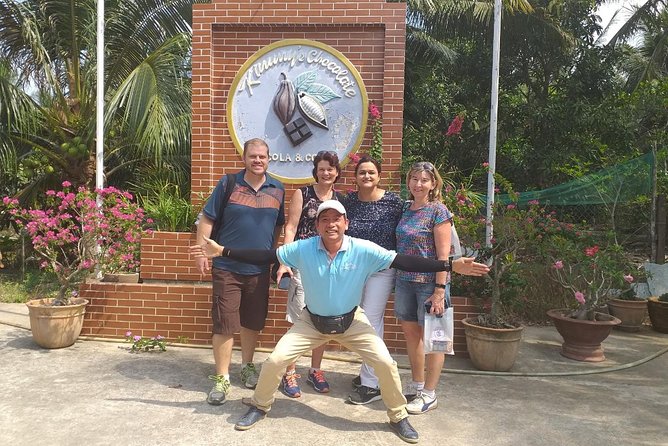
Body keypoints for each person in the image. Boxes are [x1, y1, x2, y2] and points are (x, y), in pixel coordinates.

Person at [190, 200, 489, 443]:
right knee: (275, 360)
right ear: (318, 225)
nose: (331, 224)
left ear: (345, 223)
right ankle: (260, 405)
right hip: (311, 322)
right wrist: (223, 251)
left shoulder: (363, 249)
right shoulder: (304, 248)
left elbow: (403, 261)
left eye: (337, 219)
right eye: (324, 219)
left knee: (385, 363)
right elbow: (266, 255)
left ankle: (398, 415)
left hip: (352, 321)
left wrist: (448, 265)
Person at [194, 138, 285, 406]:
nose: (258, 160)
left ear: (269, 159)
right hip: (226, 267)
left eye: (263, 157)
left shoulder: (277, 189)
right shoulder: (228, 183)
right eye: (253, 156)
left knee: (252, 322)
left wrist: (271, 254)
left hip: (258, 269)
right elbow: (207, 219)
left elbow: (278, 226)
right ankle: (222, 378)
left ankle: (247, 366)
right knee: (225, 323)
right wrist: (202, 252)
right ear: (243, 158)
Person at [274, 150, 342, 397]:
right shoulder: (302, 193)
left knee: (324, 319)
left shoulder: (339, 198)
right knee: (298, 319)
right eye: (322, 168)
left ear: (336, 172)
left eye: (330, 169)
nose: (326, 173)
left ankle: (315, 370)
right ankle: (290, 372)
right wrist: (285, 260)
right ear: (316, 170)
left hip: (329, 265)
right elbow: (291, 228)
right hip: (303, 263)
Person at [342, 155, 404, 405]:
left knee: (372, 320)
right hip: (355, 268)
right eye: (362, 173)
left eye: (371, 173)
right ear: (355, 177)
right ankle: (371, 372)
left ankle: (371, 383)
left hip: (381, 269)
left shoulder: (393, 202)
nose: (366, 176)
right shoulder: (349, 203)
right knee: (355, 319)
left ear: (379, 176)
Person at [394, 161, 452, 415]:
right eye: (415, 179)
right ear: (409, 182)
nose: (419, 184)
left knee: (435, 341)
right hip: (404, 282)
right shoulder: (406, 210)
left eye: (424, 180)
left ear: (433, 184)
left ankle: (430, 394)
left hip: (430, 284)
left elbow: (444, 255)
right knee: (412, 336)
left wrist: (440, 289)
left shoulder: (438, 211)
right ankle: (418, 387)